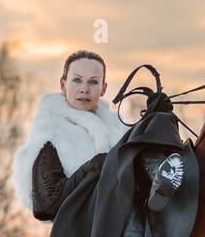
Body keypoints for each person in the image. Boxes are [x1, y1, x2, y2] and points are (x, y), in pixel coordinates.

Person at [12, 50, 129, 222]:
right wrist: (92, 168)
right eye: (77, 80)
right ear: (63, 84)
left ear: (103, 88)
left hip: (124, 232)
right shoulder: (51, 131)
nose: (85, 89)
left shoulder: (118, 128)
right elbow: (46, 204)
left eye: (93, 82)